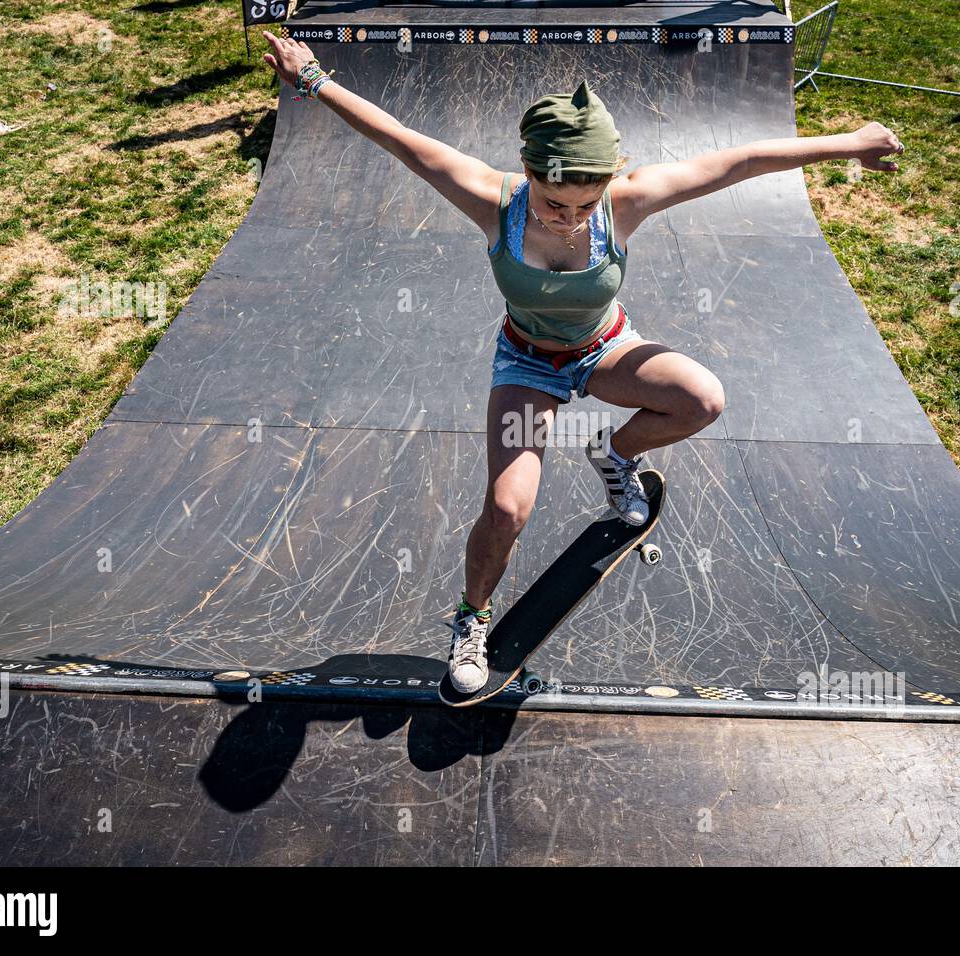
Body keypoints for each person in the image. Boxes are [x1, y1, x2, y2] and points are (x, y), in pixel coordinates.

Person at [262, 31, 904, 693]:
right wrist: (314, 80)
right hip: (527, 365)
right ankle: (471, 618)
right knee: (509, 509)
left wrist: (850, 143)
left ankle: (616, 454)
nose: (569, 220)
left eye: (584, 206)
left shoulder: (627, 201)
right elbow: (397, 136)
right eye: (553, 203)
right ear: (528, 174)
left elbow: (741, 159)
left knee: (702, 399)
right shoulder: (492, 199)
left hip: (605, 349)